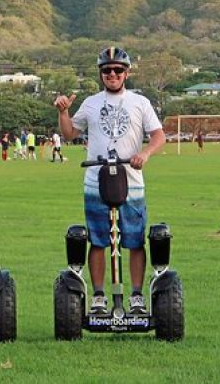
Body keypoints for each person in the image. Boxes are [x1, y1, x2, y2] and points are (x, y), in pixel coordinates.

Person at [53, 47, 165, 315]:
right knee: (98, 240)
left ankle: (136, 296)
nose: (112, 74)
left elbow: (159, 135)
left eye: (117, 70)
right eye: (106, 70)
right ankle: (100, 296)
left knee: (135, 240)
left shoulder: (140, 102)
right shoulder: (91, 102)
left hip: (131, 180)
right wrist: (63, 112)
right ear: (101, 74)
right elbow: (69, 133)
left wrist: (145, 153)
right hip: (96, 180)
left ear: (126, 73)